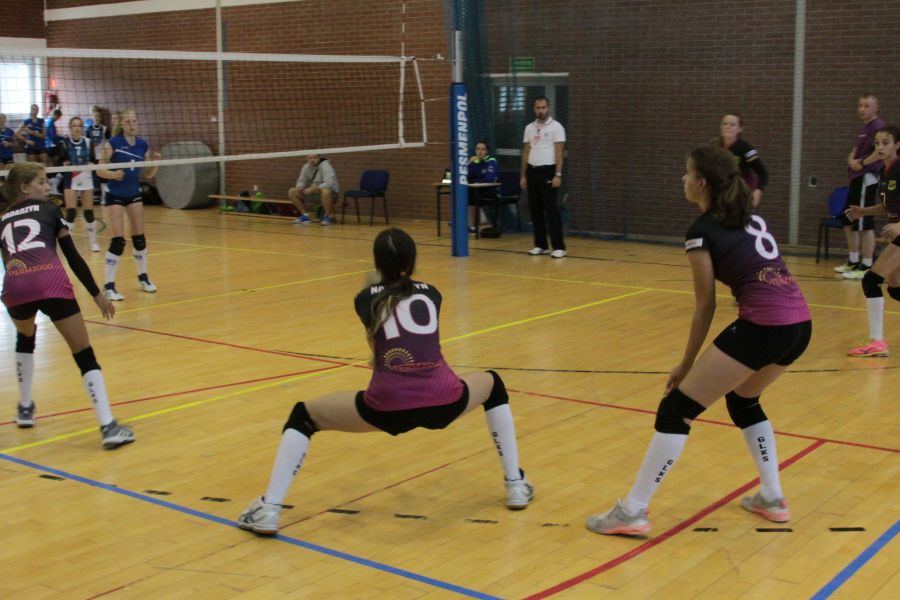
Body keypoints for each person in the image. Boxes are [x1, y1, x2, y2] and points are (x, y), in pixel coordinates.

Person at [237, 227, 533, 535]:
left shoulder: (365, 299)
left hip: (388, 405)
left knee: (304, 415)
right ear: (413, 260)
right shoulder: (433, 293)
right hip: (445, 398)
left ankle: (269, 509)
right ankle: (515, 484)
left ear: (377, 263)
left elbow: (377, 352)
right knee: (492, 384)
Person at [586, 146, 811, 537]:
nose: (683, 179)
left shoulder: (702, 231)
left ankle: (633, 511)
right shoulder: (751, 217)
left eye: (687, 173)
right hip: (799, 326)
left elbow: (705, 305)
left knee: (676, 410)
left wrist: (687, 363)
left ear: (702, 182)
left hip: (765, 327)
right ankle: (772, 497)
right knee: (744, 401)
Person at [0, 162, 134, 449]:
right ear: (25, 187)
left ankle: (25, 408)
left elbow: (7, 260)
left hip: (15, 287)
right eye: (41, 182)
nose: (47, 186)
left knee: (25, 337)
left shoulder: (3, 219)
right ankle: (108, 426)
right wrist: (97, 293)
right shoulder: (49, 210)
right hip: (50, 283)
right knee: (83, 353)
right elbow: (72, 256)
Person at [844, 125, 900, 358]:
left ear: (897, 145)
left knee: (871, 280)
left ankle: (877, 342)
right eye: (877, 143)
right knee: (896, 289)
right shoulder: (885, 172)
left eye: (886, 142)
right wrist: (863, 211)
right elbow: (889, 206)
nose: (880, 147)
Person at [97, 109, 161, 301]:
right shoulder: (113, 144)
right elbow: (99, 169)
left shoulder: (142, 145)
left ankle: (143, 278)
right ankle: (109, 286)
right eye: (128, 122)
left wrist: (157, 163)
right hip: (115, 195)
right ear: (122, 124)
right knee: (118, 241)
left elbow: (148, 174)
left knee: (139, 239)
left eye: (134, 121)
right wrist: (112, 174)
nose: (132, 124)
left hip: (134, 193)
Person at [836, 94, 886, 280]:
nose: (862, 109)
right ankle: (853, 260)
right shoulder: (864, 128)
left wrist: (863, 163)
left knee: (864, 221)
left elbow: (879, 152)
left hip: (867, 177)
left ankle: (867, 264)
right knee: (849, 218)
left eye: (867, 106)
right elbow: (856, 150)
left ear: (875, 107)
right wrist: (851, 159)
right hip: (856, 178)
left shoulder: (878, 126)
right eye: (860, 105)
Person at [520, 96, 567, 258]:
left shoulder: (556, 127)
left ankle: (559, 246)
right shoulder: (529, 128)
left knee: (551, 209)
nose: (541, 110)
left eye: (543, 107)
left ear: (548, 107)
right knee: (535, 209)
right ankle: (540, 244)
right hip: (532, 171)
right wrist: (523, 175)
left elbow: (559, 152)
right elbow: (526, 151)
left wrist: (557, 174)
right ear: (534, 109)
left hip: (548, 171)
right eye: (538, 108)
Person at [62, 116, 101, 252]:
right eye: (74, 126)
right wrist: (64, 162)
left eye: (79, 125)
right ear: (70, 128)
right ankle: (68, 245)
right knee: (71, 212)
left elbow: (94, 160)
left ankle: (93, 242)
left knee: (88, 212)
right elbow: (60, 159)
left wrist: (92, 163)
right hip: (70, 178)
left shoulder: (88, 142)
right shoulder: (65, 142)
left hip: (85, 177)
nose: (77, 128)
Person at [716, 113, 769, 208]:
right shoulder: (714, 148)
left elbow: (763, 173)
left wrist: (758, 191)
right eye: (725, 124)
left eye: (732, 124)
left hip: (742, 196)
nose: (728, 127)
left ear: (740, 129)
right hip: (722, 196)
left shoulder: (746, 148)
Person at [288, 154, 340, 226]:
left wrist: (314, 189)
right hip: (314, 193)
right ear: (307, 158)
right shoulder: (306, 167)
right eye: (310, 158)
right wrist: (299, 187)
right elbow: (301, 180)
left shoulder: (326, 166)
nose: (312, 160)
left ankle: (327, 216)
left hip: (331, 194)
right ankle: (305, 215)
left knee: (325, 191)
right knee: (292, 191)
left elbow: (329, 183)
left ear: (319, 158)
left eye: (314, 157)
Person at [467, 141, 499, 234]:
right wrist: (469, 162)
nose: (480, 151)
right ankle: (472, 227)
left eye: (483, 149)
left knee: (471, 195)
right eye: (478, 149)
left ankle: (475, 226)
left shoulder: (491, 161)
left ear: (487, 151)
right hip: (475, 189)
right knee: (465, 194)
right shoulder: (473, 161)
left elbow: (489, 178)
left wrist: (476, 180)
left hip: (490, 191)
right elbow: (464, 175)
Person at [86, 105, 111, 204]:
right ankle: (91, 197)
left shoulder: (105, 129)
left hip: (102, 156)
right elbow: (87, 144)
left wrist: (107, 157)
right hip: (92, 156)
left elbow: (108, 144)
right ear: (92, 117)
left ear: (100, 118)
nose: (96, 118)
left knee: (103, 177)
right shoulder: (88, 129)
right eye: (94, 116)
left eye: (97, 116)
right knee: (90, 176)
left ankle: (104, 198)